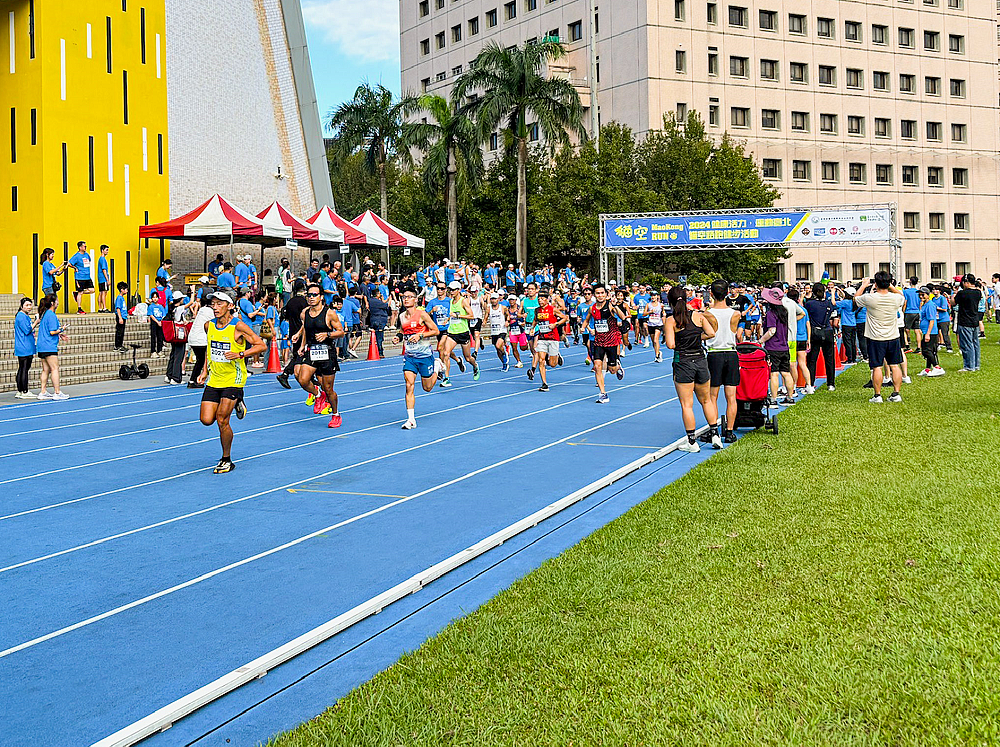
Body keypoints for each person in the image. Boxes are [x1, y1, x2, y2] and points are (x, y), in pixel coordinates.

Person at [196, 291, 265, 473]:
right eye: (213, 304)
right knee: (206, 419)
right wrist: (204, 371)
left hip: (233, 379)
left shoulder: (238, 327)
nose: (215, 307)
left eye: (220, 304)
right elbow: (209, 349)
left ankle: (226, 459)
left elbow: (261, 345)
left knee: (222, 420)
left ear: (230, 306)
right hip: (215, 378)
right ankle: (238, 401)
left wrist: (240, 354)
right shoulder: (208, 326)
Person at [665, 285, 722, 452]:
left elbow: (670, 344)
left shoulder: (671, 320)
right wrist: (697, 337)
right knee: (707, 400)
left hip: (683, 362)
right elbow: (711, 333)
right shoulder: (698, 316)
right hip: (700, 360)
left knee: (687, 405)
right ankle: (715, 435)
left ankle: (691, 442)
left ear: (670, 301)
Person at [296, 282, 346, 428]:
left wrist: (327, 334)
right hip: (311, 351)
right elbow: (305, 329)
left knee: (328, 388)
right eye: (309, 295)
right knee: (302, 379)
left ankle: (336, 414)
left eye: (314, 295)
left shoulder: (329, 313)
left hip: (327, 353)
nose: (311, 297)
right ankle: (318, 394)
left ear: (321, 297)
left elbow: (341, 332)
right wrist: (302, 345)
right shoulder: (305, 313)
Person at [395, 290, 446, 429]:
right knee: (408, 385)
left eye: (409, 297)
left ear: (415, 300)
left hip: (424, 356)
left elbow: (435, 330)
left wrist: (420, 335)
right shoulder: (401, 316)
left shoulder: (422, 314)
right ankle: (411, 419)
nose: (406, 299)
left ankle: (436, 366)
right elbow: (402, 331)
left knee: (427, 388)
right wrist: (398, 338)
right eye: (404, 297)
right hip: (410, 357)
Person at [853, 272, 905, 403]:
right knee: (894, 365)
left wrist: (864, 285)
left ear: (875, 284)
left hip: (875, 338)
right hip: (893, 336)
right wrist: (891, 286)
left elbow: (855, 298)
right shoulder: (895, 298)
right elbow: (901, 296)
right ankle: (896, 393)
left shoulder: (870, 298)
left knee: (877, 367)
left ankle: (877, 395)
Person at [704, 280, 741, 443]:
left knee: (712, 396)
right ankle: (730, 432)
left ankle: (714, 431)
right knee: (731, 396)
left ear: (711, 294)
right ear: (727, 293)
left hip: (714, 354)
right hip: (731, 354)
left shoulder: (707, 314)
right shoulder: (736, 314)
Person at [583, 283, 627, 403]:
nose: (600, 295)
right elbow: (586, 319)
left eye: (602, 293)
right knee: (597, 366)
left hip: (611, 341)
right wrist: (583, 327)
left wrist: (615, 307)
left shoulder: (610, 306)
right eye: (597, 293)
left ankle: (617, 365)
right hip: (598, 341)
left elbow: (622, 317)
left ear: (606, 294)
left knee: (611, 370)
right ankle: (603, 393)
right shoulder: (592, 308)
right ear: (594, 295)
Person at [760, 286, 796, 406]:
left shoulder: (771, 313)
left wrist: (761, 340)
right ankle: (790, 397)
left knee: (774, 373)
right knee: (786, 372)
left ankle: (774, 399)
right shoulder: (784, 311)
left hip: (773, 347)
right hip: (784, 346)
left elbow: (772, 330)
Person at [527, 288, 567, 392]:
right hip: (542, 338)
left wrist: (556, 324)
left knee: (552, 364)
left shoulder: (553, 309)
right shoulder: (537, 310)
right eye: (539, 299)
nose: (540, 301)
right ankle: (544, 384)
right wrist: (532, 329)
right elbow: (535, 320)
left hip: (553, 338)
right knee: (541, 360)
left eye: (542, 299)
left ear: (547, 300)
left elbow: (564, 317)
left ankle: (556, 356)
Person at [441, 281, 480, 384]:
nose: (451, 292)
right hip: (452, 332)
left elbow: (471, 316)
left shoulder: (463, 301)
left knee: (468, 358)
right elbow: (452, 314)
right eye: (450, 290)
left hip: (463, 332)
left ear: (458, 290)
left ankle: (475, 366)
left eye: (453, 290)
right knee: (445, 353)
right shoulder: (450, 301)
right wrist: (448, 319)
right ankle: (447, 378)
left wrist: (458, 316)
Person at [804, 282, 838, 392]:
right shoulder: (828, 303)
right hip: (827, 331)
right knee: (829, 359)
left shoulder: (809, 304)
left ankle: (811, 383)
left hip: (815, 332)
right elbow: (833, 309)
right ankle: (831, 384)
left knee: (812, 359)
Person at [276, 279, 309, 389]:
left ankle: (287, 374)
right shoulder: (304, 302)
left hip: (293, 330)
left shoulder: (290, 301)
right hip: (301, 331)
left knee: (298, 354)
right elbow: (306, 318)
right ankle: (286, 373)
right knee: (301, 354)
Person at [36, 294, 69, 400]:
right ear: (52, 303)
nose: (58, 302)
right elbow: (52, 332)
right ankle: (57, 392)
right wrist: (62, 329)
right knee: (55, 368)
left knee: (45, 369)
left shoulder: (45, 314)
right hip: (49, 346)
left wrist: (59, 334)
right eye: (57, 301)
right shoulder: (51, 315)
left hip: (41, 345)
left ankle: (43, 391)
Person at [953, 274, 983, 372]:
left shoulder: (962, 293)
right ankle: (976, 364)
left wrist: (954, 294)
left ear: (966, 282)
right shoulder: (978, 293)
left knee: (967, 344)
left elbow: (953, 302)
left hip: (964, 321)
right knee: (975, 344)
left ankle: (969, 366)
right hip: (975, 320)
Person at [917, 287, 945, 377]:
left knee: (927, 350)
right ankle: (928, 369)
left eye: (923, 295)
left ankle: (937, 367)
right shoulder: (924, 304)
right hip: (926, 331)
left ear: (928, 295)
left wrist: (928, 333)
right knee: (927, 350)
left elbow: (932, 320)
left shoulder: (930, 305)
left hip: (931, 332)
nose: (921, 297)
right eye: (920, 295)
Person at [786, 287, 810, 394]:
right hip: (803, 337)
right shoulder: (803, 310)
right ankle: (809, 385)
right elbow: (808, 324)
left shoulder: (789, 309)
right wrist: (809, 338)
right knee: (802, 363)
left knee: (791, 364)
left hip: (792, 338)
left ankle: (793, 386)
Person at [187, 294, 214, 388]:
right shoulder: (209, 311)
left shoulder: (202, 310)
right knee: (202, 360)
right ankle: (194, 380)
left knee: (200, 360)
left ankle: (193, 379)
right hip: (200, 339)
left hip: (194, 337)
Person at [13, 297, 37, 399]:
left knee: (22, 368)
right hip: (25, 346)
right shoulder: (21, 316)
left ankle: (20, 391)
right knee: (24, 369)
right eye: (27, 305)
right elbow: (27, 330)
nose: (29, 307)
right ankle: (24, 391)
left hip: (24, 345)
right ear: (21, 306)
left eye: (30, 305)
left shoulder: (23, 316)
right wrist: (36, 322)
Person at [165, 291, 190, 385]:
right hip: (179, 334)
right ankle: (176, 378)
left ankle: (169, 375)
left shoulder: (172, 308)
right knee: (179, 356)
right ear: (180, 300)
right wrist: (192, 292)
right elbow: (191, 302)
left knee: (173, 355)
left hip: (173, 333)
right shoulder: (179, 308)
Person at [486, 292, 511, 371]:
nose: (493, 301)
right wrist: (483, 323)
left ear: (498, 300)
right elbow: (486, 317)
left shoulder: (503, 308)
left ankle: (504, 353)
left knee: (498, 345)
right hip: (494, 331)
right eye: (492, 299)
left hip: (502, 330)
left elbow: (508, 316)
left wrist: (507, 321)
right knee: (497, 350)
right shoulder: (489, 308)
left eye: (495, 299)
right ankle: (504, 363)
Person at [67, 240, 94, 314]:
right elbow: (69, 263)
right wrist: (75, 268)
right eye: (84, 246)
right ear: (80, 247)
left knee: (92, 290)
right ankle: (79, 308)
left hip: (87, 276)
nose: (85, 247)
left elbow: (89, 262)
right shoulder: (76, 256)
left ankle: (77, 293)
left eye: (86, 246)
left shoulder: (87, 255)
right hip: (80, 277)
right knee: (80, 292)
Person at [836, 286, 858, 363]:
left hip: (846, 324)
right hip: (853, 323)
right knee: (852, 342)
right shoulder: (854, 302)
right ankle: (853, 358)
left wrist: (833, 293)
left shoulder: (845, 302)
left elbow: (834, 303)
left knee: (847, 342)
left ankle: (849, 358)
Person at [368, 292, 390, 356]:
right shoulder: (377, 302)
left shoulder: (370, 301)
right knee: (379, 337)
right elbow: (386, 305)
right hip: (379, 320)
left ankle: (377, 351)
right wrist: (384, 300)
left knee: (376, 337)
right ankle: (380, 352)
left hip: (373, 319)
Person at [902, 277, 921, 351]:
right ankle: (919, 347)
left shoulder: (906, 291)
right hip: (917, 312)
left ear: (910, 282)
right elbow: (920, 303)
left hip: (909, 312)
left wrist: (903, 311)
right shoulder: (918, 292)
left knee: (905, 328)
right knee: (917, 330)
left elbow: (905, 302)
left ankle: (907, 344)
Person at [147, 289, 166, 358]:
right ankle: (153, 351)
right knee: (153, 337)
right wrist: (157, 322)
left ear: (158, 298)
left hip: (161, 322)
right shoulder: (150, 306)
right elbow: (151, 315)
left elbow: (164, 315)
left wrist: (161, 321)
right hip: (154, 323)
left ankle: (159, 351)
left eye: (156, 297)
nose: (155, 299)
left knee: (160, 337)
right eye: (153, 297)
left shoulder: (161, 306)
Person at [113, 281, 130, 351]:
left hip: (123, 316)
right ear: (122, 289)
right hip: (121, 317)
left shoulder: (122, 298)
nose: (127, 290)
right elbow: (118, 308)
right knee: (119, 331)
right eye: (125, 289)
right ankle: (117, 346)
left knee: (122, 331)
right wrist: (120, 318)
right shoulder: (119, 298)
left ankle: (120, 345)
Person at [96, 245, 112, 312]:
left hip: (100, 278)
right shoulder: (103, 259)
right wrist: (107, 279)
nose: (107, 252)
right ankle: (104, 307)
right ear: (102, 250)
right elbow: (104, 269)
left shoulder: (100, 259)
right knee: (104, 293)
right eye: (106, 250)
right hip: (103, 278)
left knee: (100, 292)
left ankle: (100, 307)